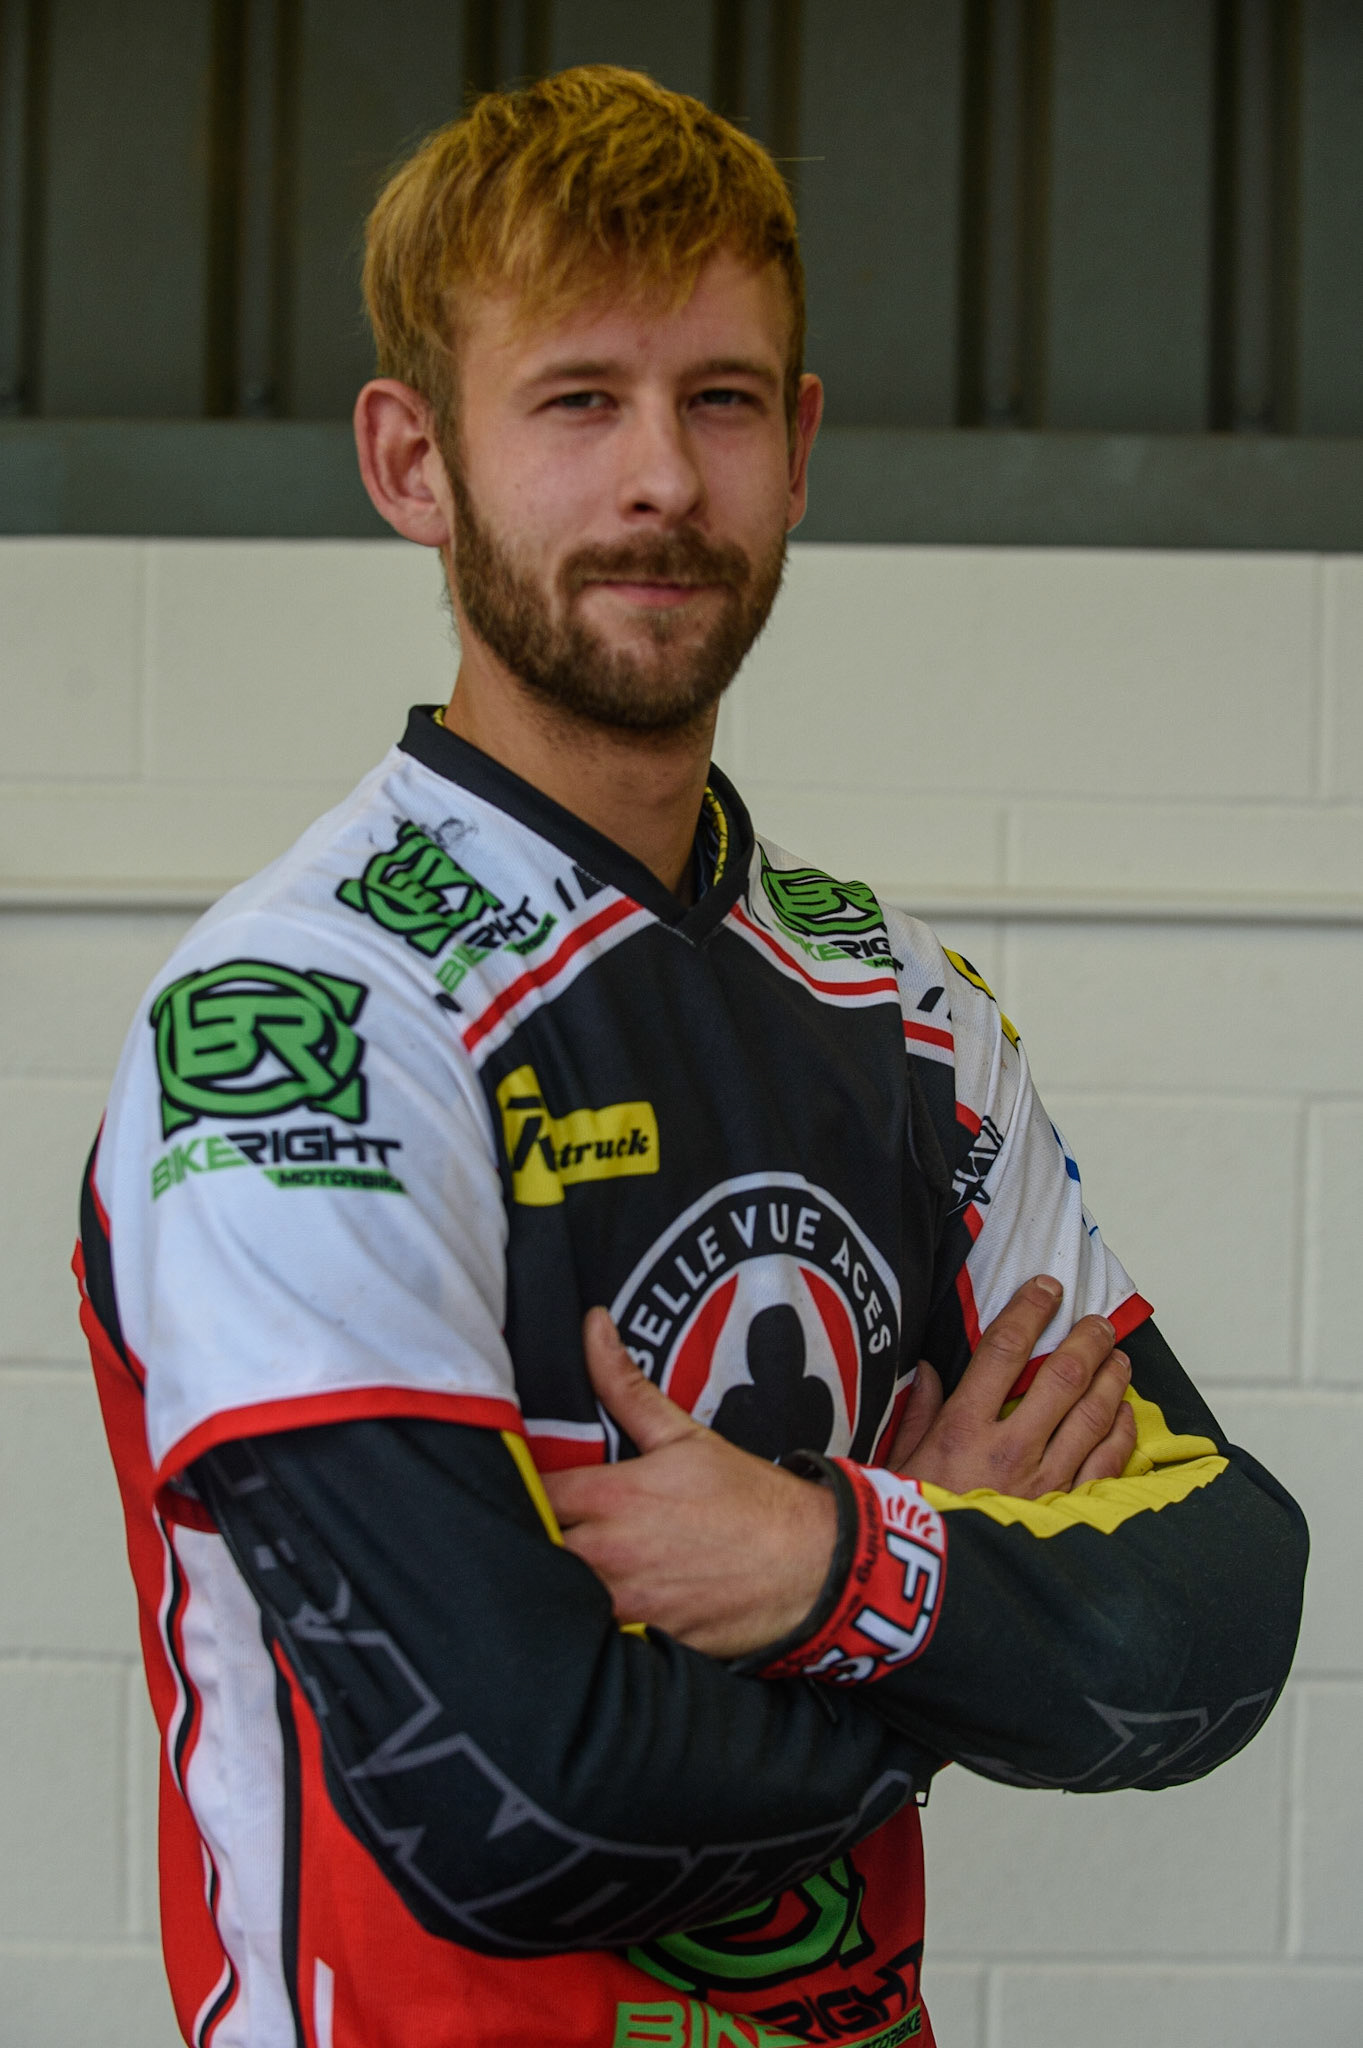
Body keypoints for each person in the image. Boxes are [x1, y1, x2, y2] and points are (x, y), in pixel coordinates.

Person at [76, 65, 1307, 2048]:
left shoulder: (901, 1009)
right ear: (411, 461)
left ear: (800, 449)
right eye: (577, 401)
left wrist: (828, 1556)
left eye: (719, 399)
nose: (660, 478)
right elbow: (511, 1789)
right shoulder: (303, 1024)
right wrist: (953, 1604)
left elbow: (1220, 1612)